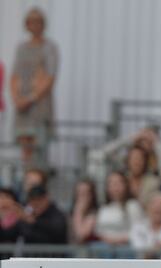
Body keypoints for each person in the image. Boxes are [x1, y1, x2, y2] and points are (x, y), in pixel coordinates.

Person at [10, 8, 58, 169]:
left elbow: (50, 77)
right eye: (31, 22)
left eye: (38, 22)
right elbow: (15, 75)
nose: (35, 26)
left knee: (39, 145)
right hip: (22, 105)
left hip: (39, 105)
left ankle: (38, 176)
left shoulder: (49, 47)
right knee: (25, 148)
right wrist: (16, 98)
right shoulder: (21, 48)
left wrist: (31, 98)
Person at [95, 172, 144, 245]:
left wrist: (116, 240)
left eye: (118, 183)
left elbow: (139, 230)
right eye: (111, 184)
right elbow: (98, 230)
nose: (115, 187)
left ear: (125, 185)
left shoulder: (133, 205)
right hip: (104, 247)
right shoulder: (104, 208)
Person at [69, 179, 99, 244]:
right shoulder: (68, 213)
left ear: (92, 195)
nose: (82, 196)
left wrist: (78, 211)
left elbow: (81, 235)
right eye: (79, 193)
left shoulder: (94, 213)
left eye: (85, 193)